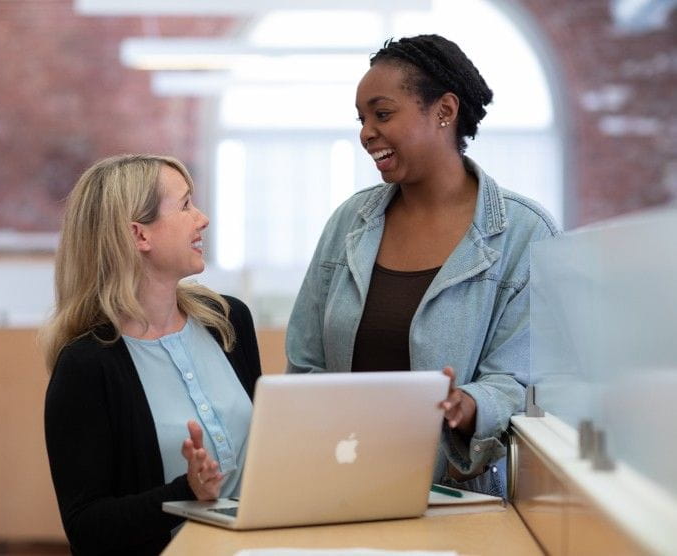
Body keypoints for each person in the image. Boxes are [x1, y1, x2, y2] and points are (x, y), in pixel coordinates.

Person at [286, 35, 559, 496]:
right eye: (362, 118)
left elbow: (523, 381)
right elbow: (306, 363)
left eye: (383, 113)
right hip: (341, 486)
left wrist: (469, 403)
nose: (366, 132)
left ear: (444, 112)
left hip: (459, 498)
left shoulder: (524, 232)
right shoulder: (349, 223)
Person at [42, 154, 261, 555]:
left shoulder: (228, 322)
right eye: (185, 205)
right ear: (139, 235)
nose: (202, 218)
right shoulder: (87, 364)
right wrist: (185, 492)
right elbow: (86, 527)